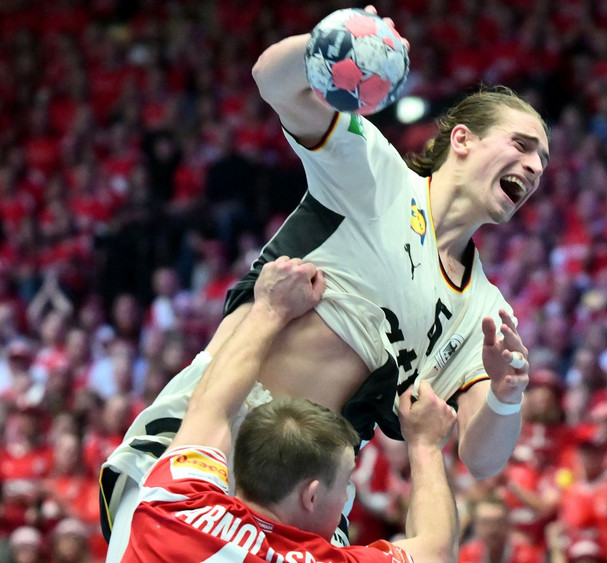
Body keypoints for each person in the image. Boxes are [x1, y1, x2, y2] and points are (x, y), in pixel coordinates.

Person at [101, 3, 547, 551]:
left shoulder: (484, 307)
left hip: (308, 505)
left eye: (542, 163)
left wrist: (506, 393)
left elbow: (483, 457)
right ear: (462, 140)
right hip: (210, 445)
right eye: (521, 145)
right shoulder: (377, 174)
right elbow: (271, 80)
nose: (533, 167)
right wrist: (329, 43)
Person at [121, 257, 460, 562]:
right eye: (344, 486)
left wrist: (268, 309)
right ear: (311, 496)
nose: (345, 497)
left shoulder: (173, 506)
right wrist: (426, 445)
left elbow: (210, 407)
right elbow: (436, 552)